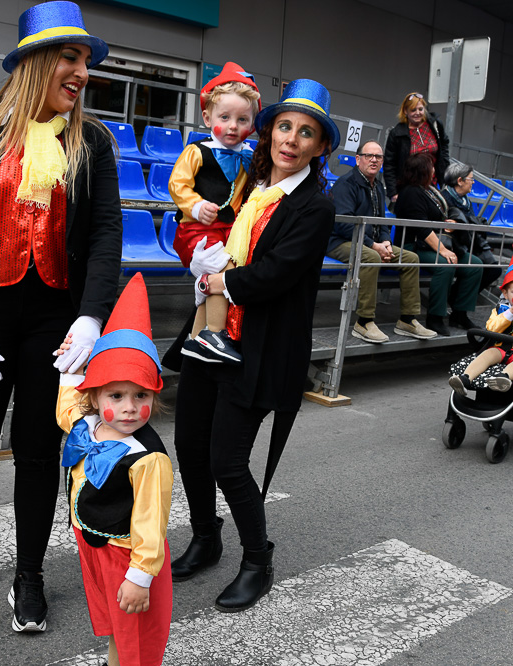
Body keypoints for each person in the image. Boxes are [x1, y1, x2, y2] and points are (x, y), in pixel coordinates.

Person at [0, 1, 121, 634]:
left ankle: (30, 572)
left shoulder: (92, 140)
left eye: (86, 61)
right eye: (71, 58)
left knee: (39, 451)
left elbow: (104, 235)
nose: (82, 72)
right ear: (36, 62)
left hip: (53, 321)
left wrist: (92, 317)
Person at [169, 79, 336, 613]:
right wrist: (203, 270)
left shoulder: (315, 205)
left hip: (260, 350)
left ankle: (257, 560)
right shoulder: (252, 184)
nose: (292, 139)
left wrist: (222, 282)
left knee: (227, 461)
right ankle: (205, 535)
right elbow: (205, 232)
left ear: (319, 146)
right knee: (191, 447)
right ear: (271, 132)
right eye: (285, 126)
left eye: (306, 132)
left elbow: (277, 273)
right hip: (211, 334)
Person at [56, 274, 172, 666]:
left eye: (140, 395)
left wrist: (140, 578)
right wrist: (70, 365)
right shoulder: (86, 423)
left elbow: (151, 524)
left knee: (134, 633)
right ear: (95, 394)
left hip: (127, 554)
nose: (128, 407)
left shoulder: (148, 457)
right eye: (116, 395)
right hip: (93, 544)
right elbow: (67, 405)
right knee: (114, 625)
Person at [169, 62, 260, 364]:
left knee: (223, 276)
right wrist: (195, 204)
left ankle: (195, 339)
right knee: (221, 275)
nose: (233, 126)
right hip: (196, 231)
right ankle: (215, 334)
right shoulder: (197, 151)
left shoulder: (249, 157)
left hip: (228, 231)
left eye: (242, 119)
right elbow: (177, 183)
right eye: (225, 117)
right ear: (208, 118)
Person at [326, 140, 436, 343]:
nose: (374, 160)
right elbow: (345, 225)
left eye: (378, 157)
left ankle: (407, 320)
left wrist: (385, 241)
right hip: (340, 241)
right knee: (370, 256)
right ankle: (364, 321)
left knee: (411, 259)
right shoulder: (346, 184)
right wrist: (373, 245)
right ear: (358, 159)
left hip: (370, 241)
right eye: (369, 156)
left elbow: (382, 222)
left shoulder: (377, 186)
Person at [394, 153, 483, 336]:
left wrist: (454, 223)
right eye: (431, 166)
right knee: (445, 265)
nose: (434, 170)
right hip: (414, 246)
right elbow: (423, 229)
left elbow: (444, 213)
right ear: (422, 170)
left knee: (475, 264)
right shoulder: (411, 192)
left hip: (436, 244)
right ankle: (434, 317)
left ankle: (459, 314)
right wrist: (443, 251)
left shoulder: (429, 189)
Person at [449, 249, 513, 395]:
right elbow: (491, 328)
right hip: (501, 349)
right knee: (487, 354)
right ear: (505, 293)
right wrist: (509, 314)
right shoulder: (500, 310)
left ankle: (503, 378)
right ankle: (465, 379)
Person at [441, 162, 503, 292]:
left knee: (494, 270)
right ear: (460, 181)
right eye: (471, 179)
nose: (473, 182)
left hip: (469, 244)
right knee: (476, 266)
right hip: (454, 247)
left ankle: (456, 296)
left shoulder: (466, 200)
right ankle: (456, 299)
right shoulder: (444, 198)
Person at [383, 91, 449, 205]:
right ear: (405, 112)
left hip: (433, 186)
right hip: (408, 188)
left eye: (420, 109)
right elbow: (389, 164)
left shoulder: (435, 125)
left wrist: (445, 171)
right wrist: (393, 193)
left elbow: (444, 145)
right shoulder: (397, 134)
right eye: (413, 110)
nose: (417, 113)